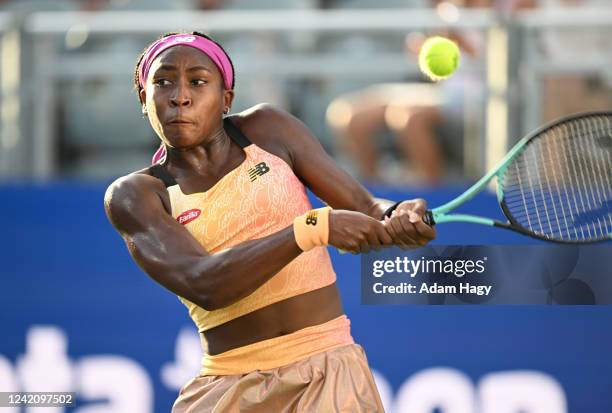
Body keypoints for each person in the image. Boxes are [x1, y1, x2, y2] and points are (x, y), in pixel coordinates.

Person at [104, 31, 435, 412]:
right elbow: (203, 283)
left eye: (198, 81)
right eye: (163, 83)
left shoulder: (268, 129)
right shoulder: (136, 194)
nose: (180, 96)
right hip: (227, 387)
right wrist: (312, 229)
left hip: (329, 373)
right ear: (144, 99)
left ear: (226, 98)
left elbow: (367, 207)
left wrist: (399, 215)